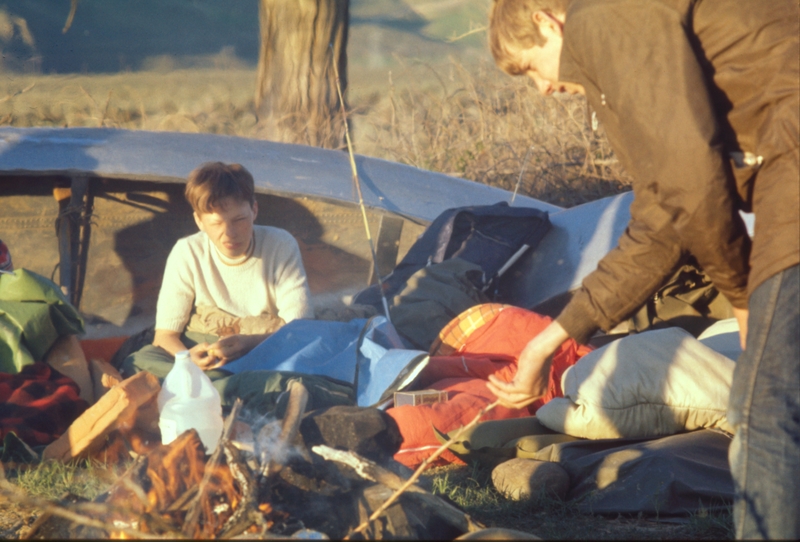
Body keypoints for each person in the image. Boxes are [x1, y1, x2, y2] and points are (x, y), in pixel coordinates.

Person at [484, 0, 798, 539]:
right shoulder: (620, 64)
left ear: (545, 19)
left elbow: (694, 188)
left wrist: (743, 297)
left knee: (765, 405)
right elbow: (660, 223)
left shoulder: (607, 19)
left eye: (530, 67)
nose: (539, 89)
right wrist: (546, 343)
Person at [123, 161, 314, 378]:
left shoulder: (280, 244)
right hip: (205, 352)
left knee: (298, 364)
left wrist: (249, 343)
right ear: (199, 221)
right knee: (139, 361)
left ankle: (222, 386)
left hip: (264, 347)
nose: (230, 233)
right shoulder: (187, 252)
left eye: (239, 219)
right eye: (216, 224)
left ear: (254, 210)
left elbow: (301, 329)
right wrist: (186, 358)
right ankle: (224, 385)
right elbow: (165, 336)